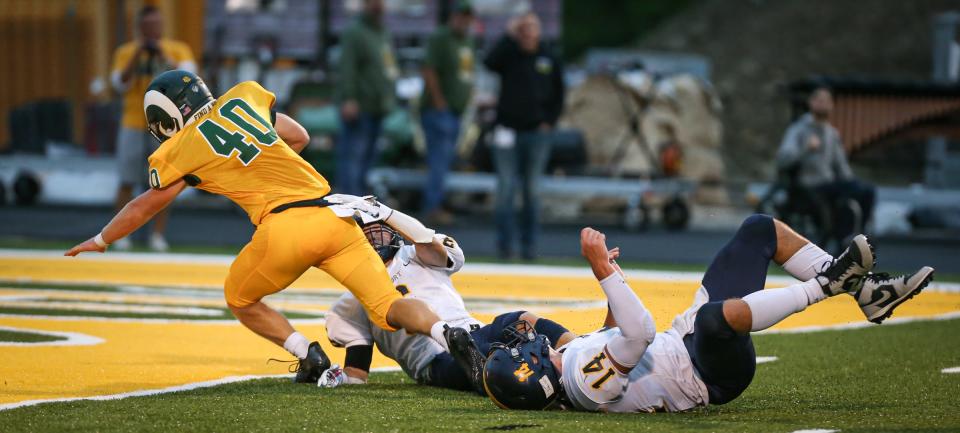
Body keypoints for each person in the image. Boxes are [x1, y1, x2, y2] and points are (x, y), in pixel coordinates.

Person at [64, 70, 485, 385]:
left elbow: (144, 206)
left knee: (240, 296)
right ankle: (445, 334)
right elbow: (298, 136)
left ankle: (308, 355)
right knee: (387, 305)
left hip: (284, 227)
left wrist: (102, 239)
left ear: (168, 115)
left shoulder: (181, 148)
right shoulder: (244, 96)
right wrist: (259, 163)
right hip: (333, 216)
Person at [482, 214, 935, 411]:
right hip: (707, 375)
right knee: (713, 319)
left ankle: (865, 292)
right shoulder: (580, 380)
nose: (529, 342)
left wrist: (610, 290)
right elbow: (639, 332)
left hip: (685, 347)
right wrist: (601, 269)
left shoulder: (577, 372)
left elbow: (617, 335)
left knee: (759, 231)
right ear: (533, 369)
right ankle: (828, 285)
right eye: (524, 351)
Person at [320, 207, 574, 393]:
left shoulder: (415, 252)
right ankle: (456, 343)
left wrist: (386, 212)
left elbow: (426, 241)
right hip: (437, 359)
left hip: (476, 331)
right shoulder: (355, 293)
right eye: (365, 236)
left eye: (379, 231)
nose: (374, 240)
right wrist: (332, 375)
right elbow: (357, 371)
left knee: (522, 321)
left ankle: (579, 350)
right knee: (515, 366)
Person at [109, 5, 195, 251]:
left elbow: (189, 77)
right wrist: (138, 54)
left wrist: (161, 55)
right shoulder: (126, 52)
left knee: (162, 182)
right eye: (148, 26)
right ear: (140, 27)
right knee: (126, 179)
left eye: (156, 25)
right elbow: (118, 83)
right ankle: (120, 234)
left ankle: (157, 236)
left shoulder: (177, 49)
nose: (152, 30)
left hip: (166, 126)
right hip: (133, 122)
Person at [483, 12, 565, 260]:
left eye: (532, 27)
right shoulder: (509, 54)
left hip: (537, 133)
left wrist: (549, 122)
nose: (528, 32)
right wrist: (508, 36)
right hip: (507, 131)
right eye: (524, 28)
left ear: (539, 31)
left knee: (532, 190)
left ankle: (529, 246)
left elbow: (560, 93)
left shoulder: (549, 57)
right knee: (506, 189)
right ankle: (505, 246)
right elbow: (488, 62)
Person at [777, 86, 876, 244]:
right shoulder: (798, 129)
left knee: (865, 192)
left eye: (827, 101)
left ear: (832, 105)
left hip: (830, 185)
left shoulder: (832, 133)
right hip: (808, 186)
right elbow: (782, 160)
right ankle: (844, 237)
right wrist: (805, 148)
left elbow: (842, 168)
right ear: (811, 102)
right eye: (819, 100)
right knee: (845, 194)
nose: (823, 104)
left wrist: (852, 185)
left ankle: (856, 238)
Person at [419, 1, 476, 224]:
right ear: (452, 17)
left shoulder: (468, 41)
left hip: (456, 111)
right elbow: (428, 69)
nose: (464, 20)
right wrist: (439, 102)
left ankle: (437, 203)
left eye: (468, 17)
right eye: (460, 16)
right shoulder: (440, 38)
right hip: (439, 112)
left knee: (445, 160)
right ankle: (432, 206)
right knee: (439, 161)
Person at [336, 0, 398, 195]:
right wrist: (349, 98)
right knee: (353, 159)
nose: (377, 5)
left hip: (377, 107)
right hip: (360, 106)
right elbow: (347, 68)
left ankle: (360, 204)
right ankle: (349, 206)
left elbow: (387, 65)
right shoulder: (355, 32)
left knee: (367, 161)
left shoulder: (383, 32)